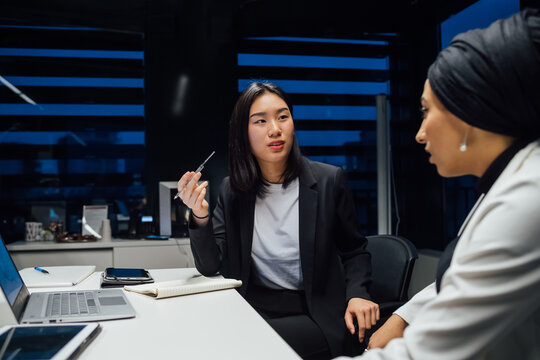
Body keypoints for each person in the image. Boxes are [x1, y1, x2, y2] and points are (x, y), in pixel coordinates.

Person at [335, 8, 540, 360]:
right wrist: (402, 315)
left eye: (427, 111)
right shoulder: (507, 179)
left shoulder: (527, 198)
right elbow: (471, 273)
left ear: (468, 112)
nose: (418, 134)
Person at [177, 82, 379, 359]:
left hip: (312, 311)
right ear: (243, 134)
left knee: (240, 349)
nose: (275, 129)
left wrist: (358, 293)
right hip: (254, 306)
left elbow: (355, 251)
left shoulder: (329, 180)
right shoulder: (232, 190)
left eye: (283, 117)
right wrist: (200, 215)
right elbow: (211, 266)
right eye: (260, 121)